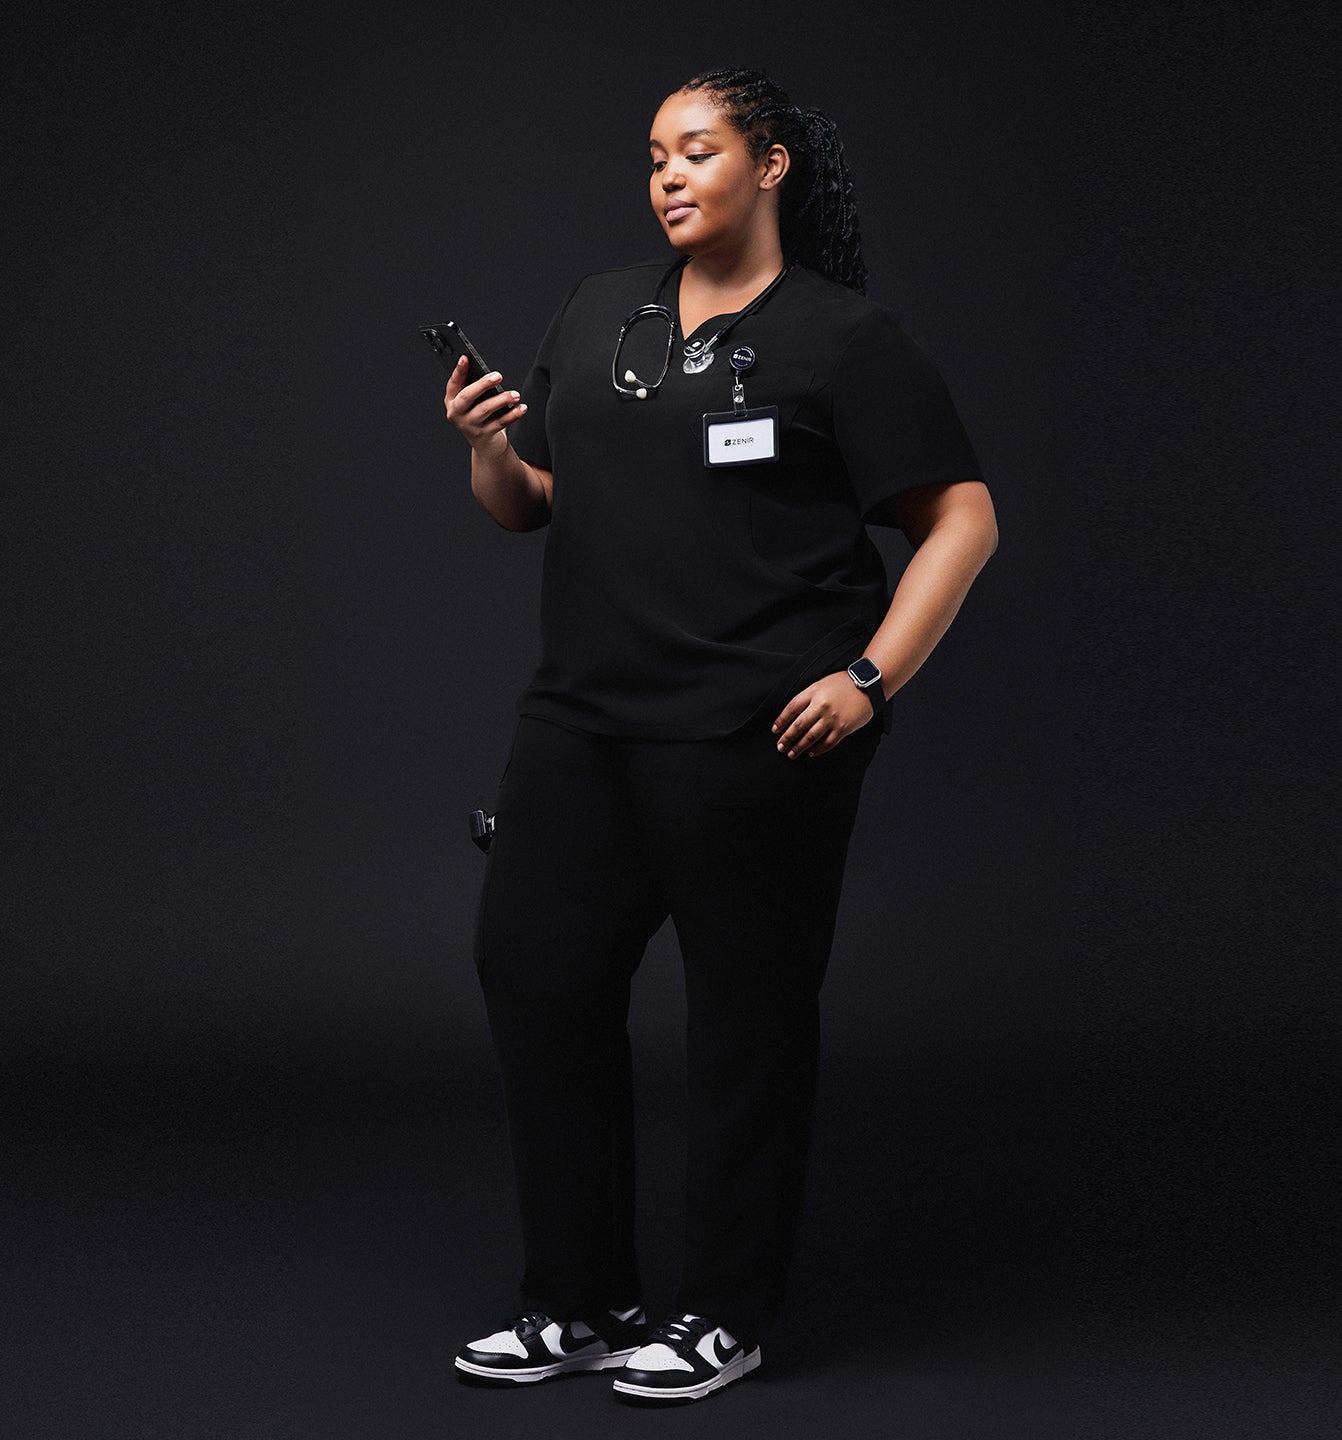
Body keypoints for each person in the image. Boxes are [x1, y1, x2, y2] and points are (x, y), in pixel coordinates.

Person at [441, 67, 998, 1406]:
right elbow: (540, 506)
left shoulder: (842, 341)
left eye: (697, 150)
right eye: (653, 157)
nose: (669, 175)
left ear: (772, 167)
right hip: (581, 723)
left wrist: (870, 678)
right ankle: (574, 1302)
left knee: (745, 1024)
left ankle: (723, 1314)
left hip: (755, 740)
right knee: (536, 977)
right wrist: (483, 451)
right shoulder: (597, 310)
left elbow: (961, 517)